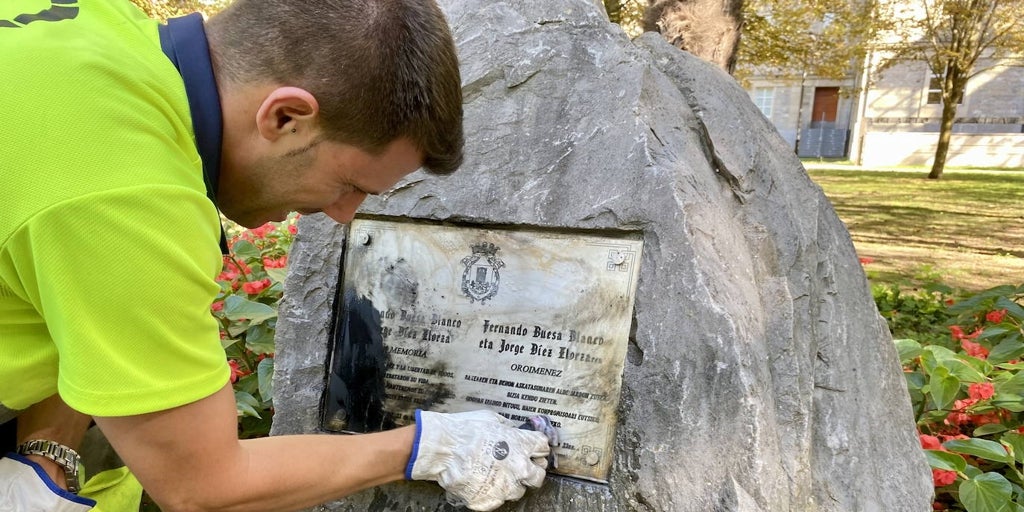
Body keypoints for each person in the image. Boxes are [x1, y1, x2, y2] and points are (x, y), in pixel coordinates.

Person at [0, 0, 553, 510]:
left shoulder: (88, 23)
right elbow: (202, 486)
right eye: (349, 184)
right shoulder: (128, 200)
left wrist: (49, 449)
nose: (344, 214)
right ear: (285, 118)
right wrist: (429, 448)